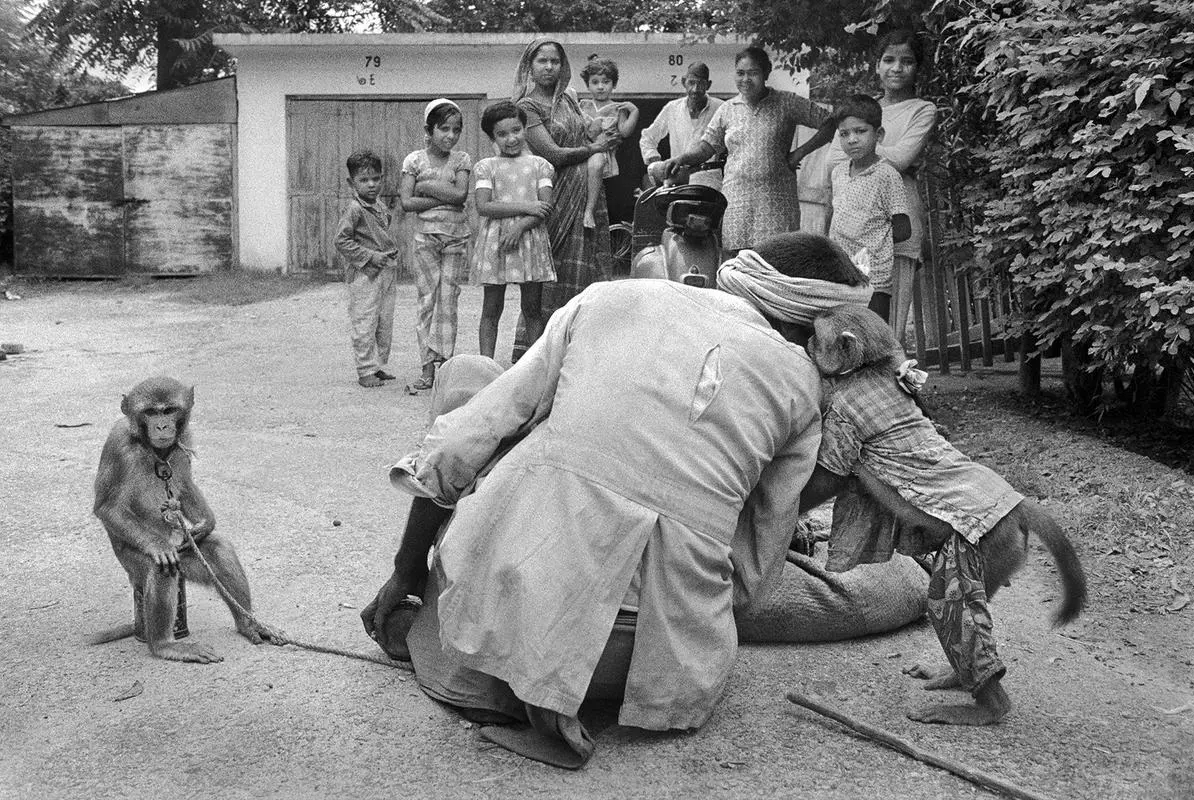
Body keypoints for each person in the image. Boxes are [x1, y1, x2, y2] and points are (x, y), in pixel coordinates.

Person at [361, 234, 880, 769]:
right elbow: (751, 573)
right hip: (649, 666)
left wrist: (405, 571)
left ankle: (466, 651)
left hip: (520, 613)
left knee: (468, 379)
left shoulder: (606, 299)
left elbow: (455, 447)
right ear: (811, 330)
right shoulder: (802, 386)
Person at [662, 46, 836, 258]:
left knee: (776, 264)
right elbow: (706, 147)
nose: (745, 79)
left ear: (766, 73)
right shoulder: (727, 109)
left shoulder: (786, 103)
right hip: (737, 204)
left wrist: (799, 153)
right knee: (735, 266)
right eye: (740, 73)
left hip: (776, 206)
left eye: (753, 73)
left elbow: (829, 123)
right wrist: (681, 158)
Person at [826, 30, 937, 345]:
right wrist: (866, 142)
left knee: (890, 326)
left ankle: (889, 386)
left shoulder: (922, 109)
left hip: (896, 224)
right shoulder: (861, 110)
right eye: (889, 60)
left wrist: (861, 149)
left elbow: (901, 159)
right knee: (848, 319)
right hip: (850, 232)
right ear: (877, 65)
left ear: (918, 67)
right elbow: (832, 163)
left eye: (907, 61)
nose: (896, 68)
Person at [510, 37, 618, 362]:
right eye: (542, 61)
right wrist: (594, 150)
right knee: (551, 273)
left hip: (586, 193)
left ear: (563, 66)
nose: (548, 67)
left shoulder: (570, 101)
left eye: (554, 61)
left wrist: (605, 129)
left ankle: (579, 353)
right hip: (556, 195)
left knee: (586, 272)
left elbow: (589, 129)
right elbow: (553, 154)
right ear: (530, 65)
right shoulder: (527, 107)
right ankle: (539, 354)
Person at [470, 101, 556, 360]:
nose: (511, 138)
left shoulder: (540, 165)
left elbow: (545, 207)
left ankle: (534, 366)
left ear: (525, 128)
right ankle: (486, 364)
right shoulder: (487, 166)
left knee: (531, 308)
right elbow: (484, 206)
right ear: (492, 137)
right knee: (491, 308)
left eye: (516, 130)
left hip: (530, 238)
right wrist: (526, 206)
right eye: (502, 134)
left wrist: (520, 225)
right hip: (497, 241)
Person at [399, 99, 472, 391]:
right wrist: (447, 194)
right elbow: (406, 202)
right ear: (429, 129)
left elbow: (461, 196)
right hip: (426, 239)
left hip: (456, 238)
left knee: (449, 301)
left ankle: (446, 365)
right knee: (427, 300)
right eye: (444, 129)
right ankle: (426, 366)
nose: (450, 136)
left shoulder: (462, 160)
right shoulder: (414, 161)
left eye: (456, 130)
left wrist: (426, 187)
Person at [826, 94, 911, 320]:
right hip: (840, 273)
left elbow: (903, 229)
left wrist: (871, 243)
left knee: (872, 336)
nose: (852, 139)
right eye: (844, 134)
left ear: (878, 134)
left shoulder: (886, 175)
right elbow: (835, 216)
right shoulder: (838, 173)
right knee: (843, 331)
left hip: (874, 278)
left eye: (860, 131)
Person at [333, 148, 399, 388]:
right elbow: (341, 241)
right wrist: (370, 256)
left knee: (384, 321)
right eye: (364, 180)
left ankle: (377, 364)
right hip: (364, 275)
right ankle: (365, 370)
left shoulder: (379, 205)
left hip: (386, 272)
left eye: (376, 179)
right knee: (365, 320)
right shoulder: (354, 209)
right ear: (352, 182)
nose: (371, 185)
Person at [640, 61, 724, 191]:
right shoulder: (672, 108)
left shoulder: (721, 108)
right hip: (677, 179)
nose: (695, 89)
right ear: (684, 82)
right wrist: (655, 161)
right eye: (691, 83)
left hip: (710, 181)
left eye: (701, 84)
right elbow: (647, 137)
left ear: (708, 85)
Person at [578, 55, 640, 230]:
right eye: (595, 82)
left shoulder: (617, 108)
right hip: (582, 150)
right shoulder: (582, 105)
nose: (600, 86)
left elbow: (625, 132)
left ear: (613, 84)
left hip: (602, 156)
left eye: (605, 82)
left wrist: (634, 112)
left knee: (596, 164)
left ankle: (589, 211)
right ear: (588, 85)